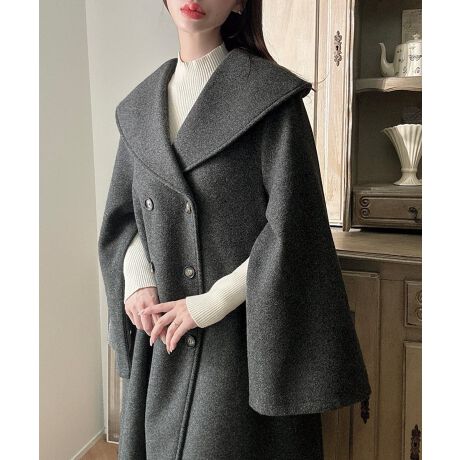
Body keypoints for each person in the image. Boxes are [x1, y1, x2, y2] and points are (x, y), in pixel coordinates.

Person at [98, 1, 372, 459]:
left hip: (241, 343)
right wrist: (138, 279)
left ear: (241, 2)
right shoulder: (138, 110)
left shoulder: (271, 100)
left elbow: (293, 231)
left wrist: (209, 304)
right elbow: (128, 218)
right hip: (163, 339)